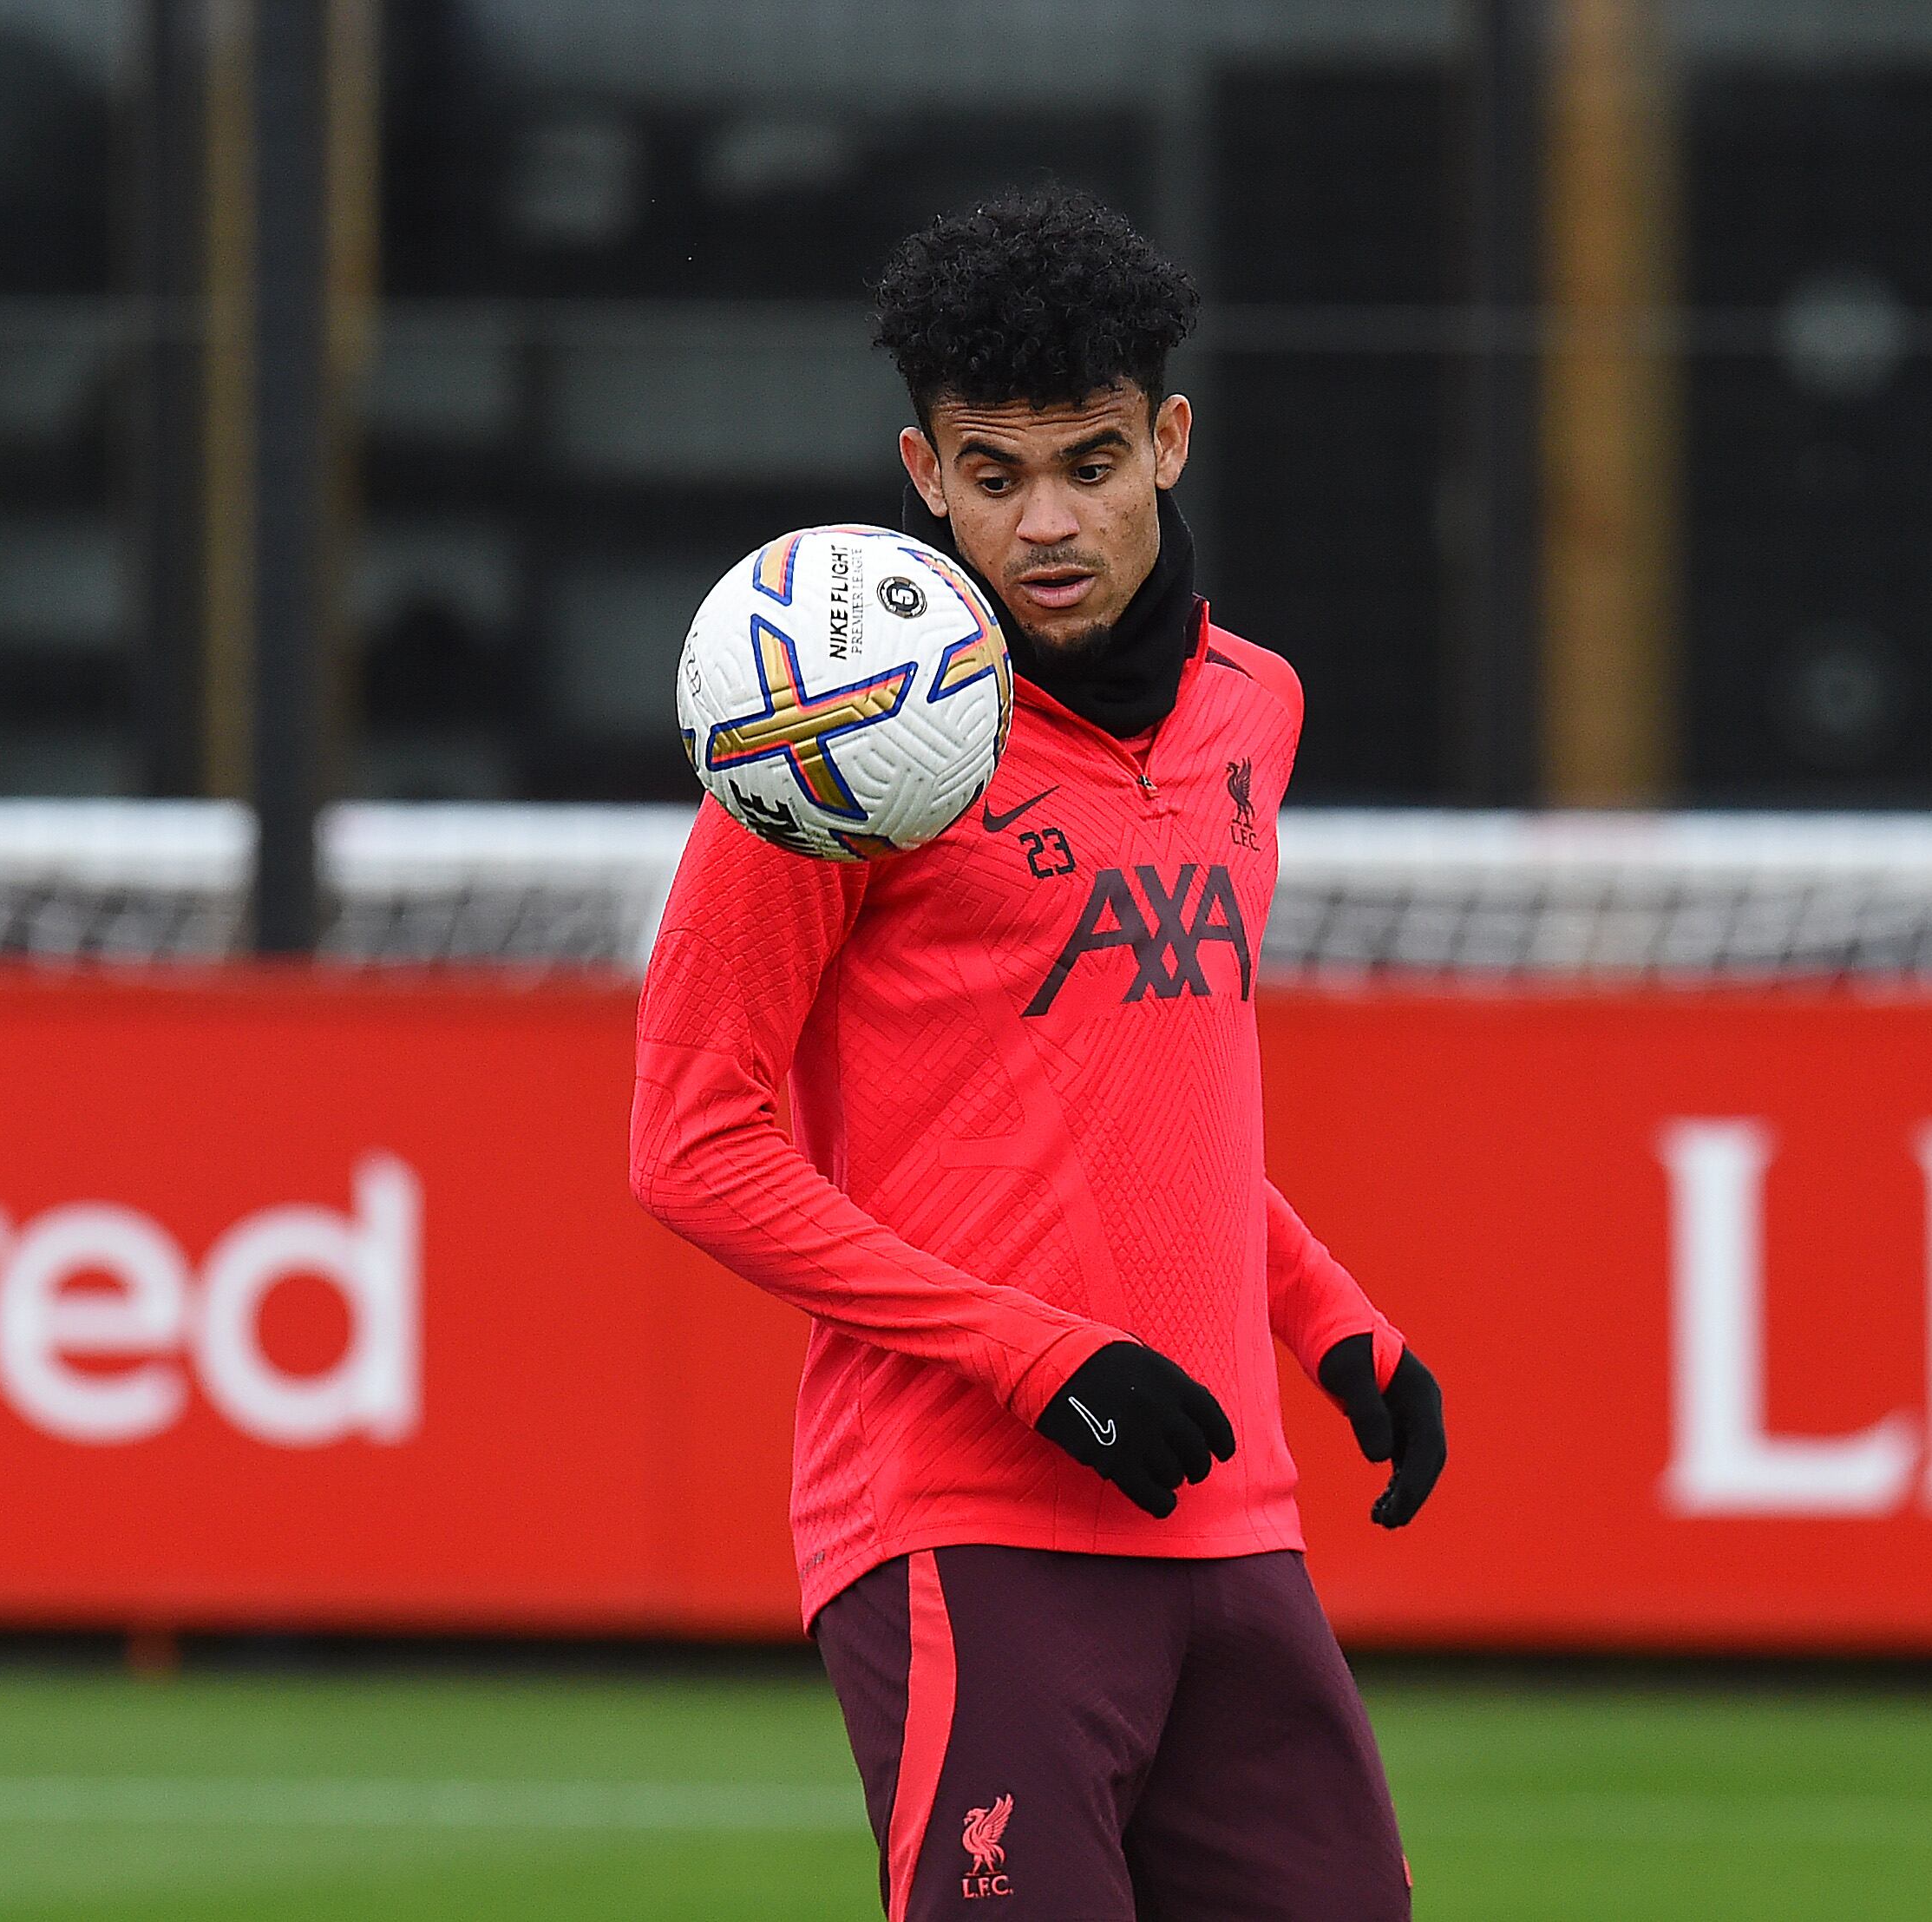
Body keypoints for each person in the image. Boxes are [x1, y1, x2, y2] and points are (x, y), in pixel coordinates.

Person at [630, 184, 1446, 1921]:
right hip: (962, 1522)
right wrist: (1032, 1355)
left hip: (1232, 1515)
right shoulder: (838, 755)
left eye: (1088, 461)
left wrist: (1337, 1325)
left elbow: (1155, 1096)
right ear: (923, 475)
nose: (1047, 519)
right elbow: (690, 1142)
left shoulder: (1254, 709)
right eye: (993, 475)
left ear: (1167, 440)